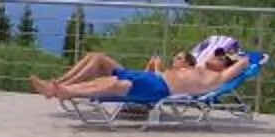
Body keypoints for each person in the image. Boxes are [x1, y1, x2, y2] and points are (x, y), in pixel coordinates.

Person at [33, 44, 246, 105]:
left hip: (160, 87)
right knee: (109, 79)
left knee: (116, 84)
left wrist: (234, 57)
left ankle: (63, 90)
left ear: (225, 65)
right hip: (153, 80)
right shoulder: (198, 68)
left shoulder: (216, 78)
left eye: (220, 57)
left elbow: (245, 61)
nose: (215, 56)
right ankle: (59, 88)